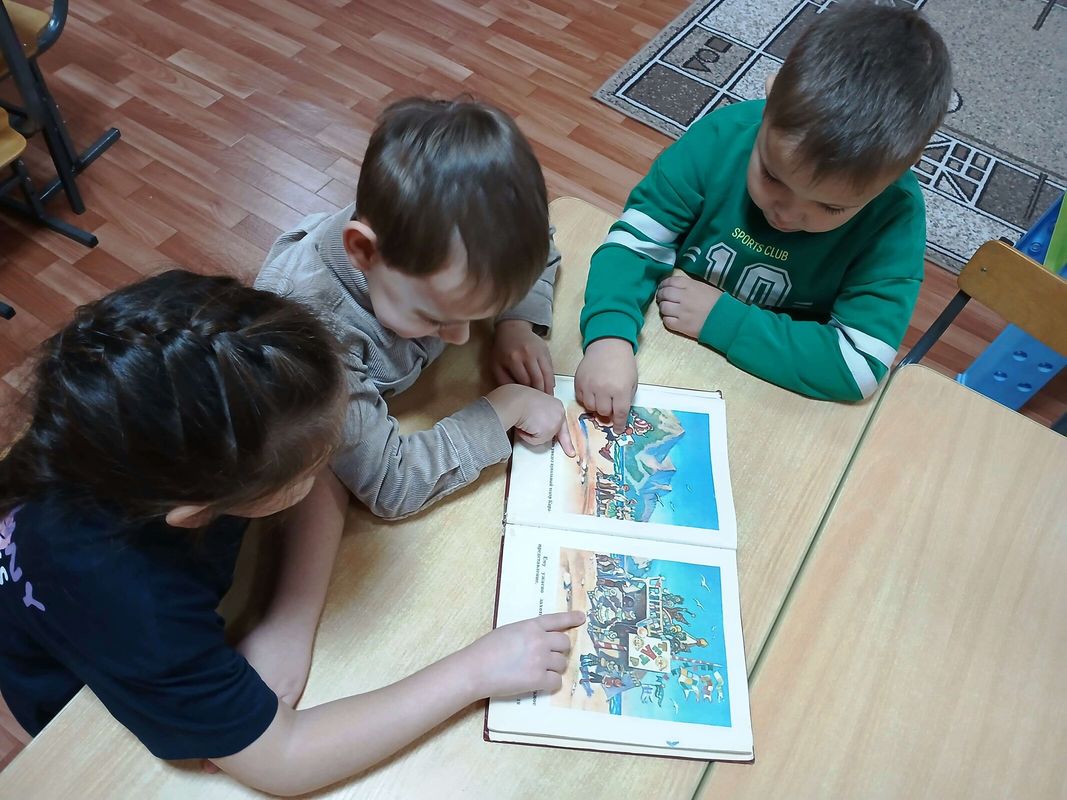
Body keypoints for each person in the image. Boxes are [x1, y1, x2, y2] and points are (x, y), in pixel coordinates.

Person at [0, 270, 582, 796]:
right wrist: (476, 670)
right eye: (312, 462)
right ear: (199, 511)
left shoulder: (146, 421)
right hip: (77, 700)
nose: (335, 457)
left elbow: (317, 463)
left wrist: (289, 620)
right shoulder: (136, 607)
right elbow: (284, 760)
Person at [575, 1, 953, 429]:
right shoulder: (720, 138)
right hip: (672, 346)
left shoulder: (895, 217)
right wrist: (608, 335)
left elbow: (859, 365)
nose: (786, 214)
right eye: (773, 176)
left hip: (774, 388)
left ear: (903, 169)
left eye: (830, 207)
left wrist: (725, 321)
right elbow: (635, 243)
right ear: (771, 96)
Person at [256, 97, 574, 520]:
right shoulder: (312, 342)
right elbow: (392, 482)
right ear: (363, 251)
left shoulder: (425, 247)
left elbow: (538, 249)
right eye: (436, 318)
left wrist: (516, 322)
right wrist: (507, 406)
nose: (461, 337)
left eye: (474, 314)